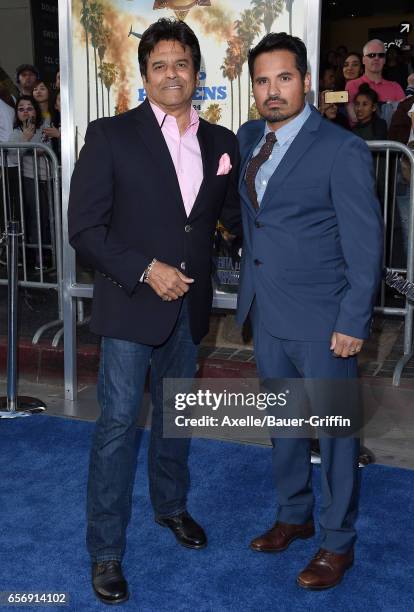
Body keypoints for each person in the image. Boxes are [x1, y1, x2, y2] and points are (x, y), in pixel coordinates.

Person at [68, 18, 240, 605]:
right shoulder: (110, 135)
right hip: (131, 305)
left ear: (197, 73)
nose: (172, 74)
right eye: (159, 65)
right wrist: (146, 267)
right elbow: (85, 230)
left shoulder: (221, 145)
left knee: (176, 421)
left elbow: (232, 222)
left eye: (181, 64)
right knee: (118, 428)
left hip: (188, 311)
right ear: (145, 76)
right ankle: (106, 551)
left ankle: (171, 508)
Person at [237, 32, 383, 590]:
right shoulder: (251, 137)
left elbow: (365, 243)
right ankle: (293, 516)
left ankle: (337, 543)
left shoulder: (340, 148)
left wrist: (352, 321)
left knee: (336, 436)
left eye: (285, 78)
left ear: (307, 82)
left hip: (324, 322)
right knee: (285, 428)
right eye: (262, 80)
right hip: (267, 312)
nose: (273, 91)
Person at [345, 39, 405, 125]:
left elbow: (404, 119)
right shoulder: (352, 85)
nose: (376, 58)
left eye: (380, 55)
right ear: (363, 60)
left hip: (391, 138)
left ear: (384, 60)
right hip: (363, 137)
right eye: (372, 55)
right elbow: (355, 118)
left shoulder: (395, 87)